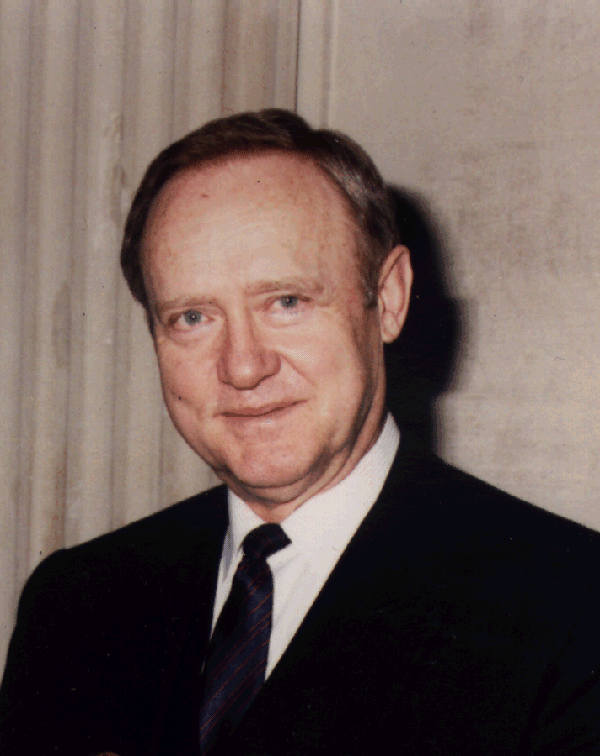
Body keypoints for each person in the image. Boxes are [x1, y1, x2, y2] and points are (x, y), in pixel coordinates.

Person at [1, 109, 600, 756]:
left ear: (389, 298)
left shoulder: (569, 609)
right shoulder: (77, 602)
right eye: (193, 317)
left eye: (286, 302)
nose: (244, 366)